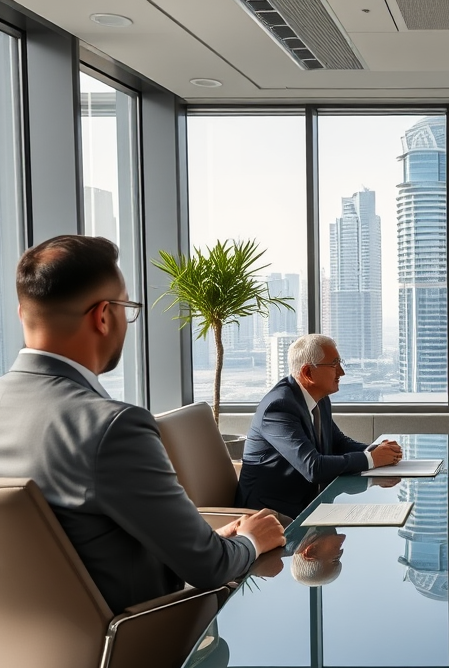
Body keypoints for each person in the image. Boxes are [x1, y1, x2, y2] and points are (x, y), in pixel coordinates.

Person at [0, 235, 285, 614]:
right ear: (103, 316)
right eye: (127, 307)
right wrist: (250, 541)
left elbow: (77, 547)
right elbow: (210, 569)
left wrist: (208, 542)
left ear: (23, 314)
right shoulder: (111, 427)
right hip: (136, 647)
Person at [236, 334, 403, 518]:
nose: (341, 372)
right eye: (334, 364)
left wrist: (377, 450)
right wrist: (371, 459)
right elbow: (313, 467)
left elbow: (338, 443)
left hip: (310, 505)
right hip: (270, 515)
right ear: (308, 373)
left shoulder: (319, 400)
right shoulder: (278, 408)